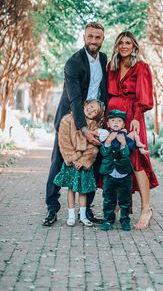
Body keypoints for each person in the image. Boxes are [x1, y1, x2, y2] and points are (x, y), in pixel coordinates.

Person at [43, 21, 107, 227]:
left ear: (102, 39)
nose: (94, 41)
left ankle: (85, 210)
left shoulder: (104, 59)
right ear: (84, 37)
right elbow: (73, 99)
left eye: (97, 37)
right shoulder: (74, 63)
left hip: (93, 120)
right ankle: (52, 209)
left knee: (91, 164)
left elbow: (102, 92)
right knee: (59, 163)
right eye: (90, 36)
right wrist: (83, 129)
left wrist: (99, 123)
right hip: (70, 120)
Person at [106, 31, 159, 230]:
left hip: (132, 117)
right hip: (112, 118)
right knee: (115, 158)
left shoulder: (141, 67)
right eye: (121, 42)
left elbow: (144, 97)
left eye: (128, 42)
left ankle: (146, 208)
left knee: (136, 158)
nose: (124, 46)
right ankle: (120, 206)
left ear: (134, 46)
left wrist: (136, 118)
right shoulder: (111, 67)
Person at [53, 99, 104, 227]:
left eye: (95, 111)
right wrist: (73, 159)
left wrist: (83, 160)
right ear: (85, 104)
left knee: (83, 190)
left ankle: (83, 216)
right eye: (91, 106)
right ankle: (71, 216)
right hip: (72, 162)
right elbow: (64, 142)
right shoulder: (67, 120)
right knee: (71, 189)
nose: (91, 110)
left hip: (84, 164)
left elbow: (94, 147)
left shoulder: (93, 126)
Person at [99, 110, 134, 231]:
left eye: (119, 121)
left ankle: (125, 220)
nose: (115, 123)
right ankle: (108, 220)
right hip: (109, 174)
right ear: (108, 123)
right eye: (113, 121)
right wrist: (108, 141)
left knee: (125, 199)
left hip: (124, 173)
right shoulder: (105, 137)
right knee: (108, 199)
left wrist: (123, 143)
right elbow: (103, 153)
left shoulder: (127, 138)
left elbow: (127, 154)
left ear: (123, 125)